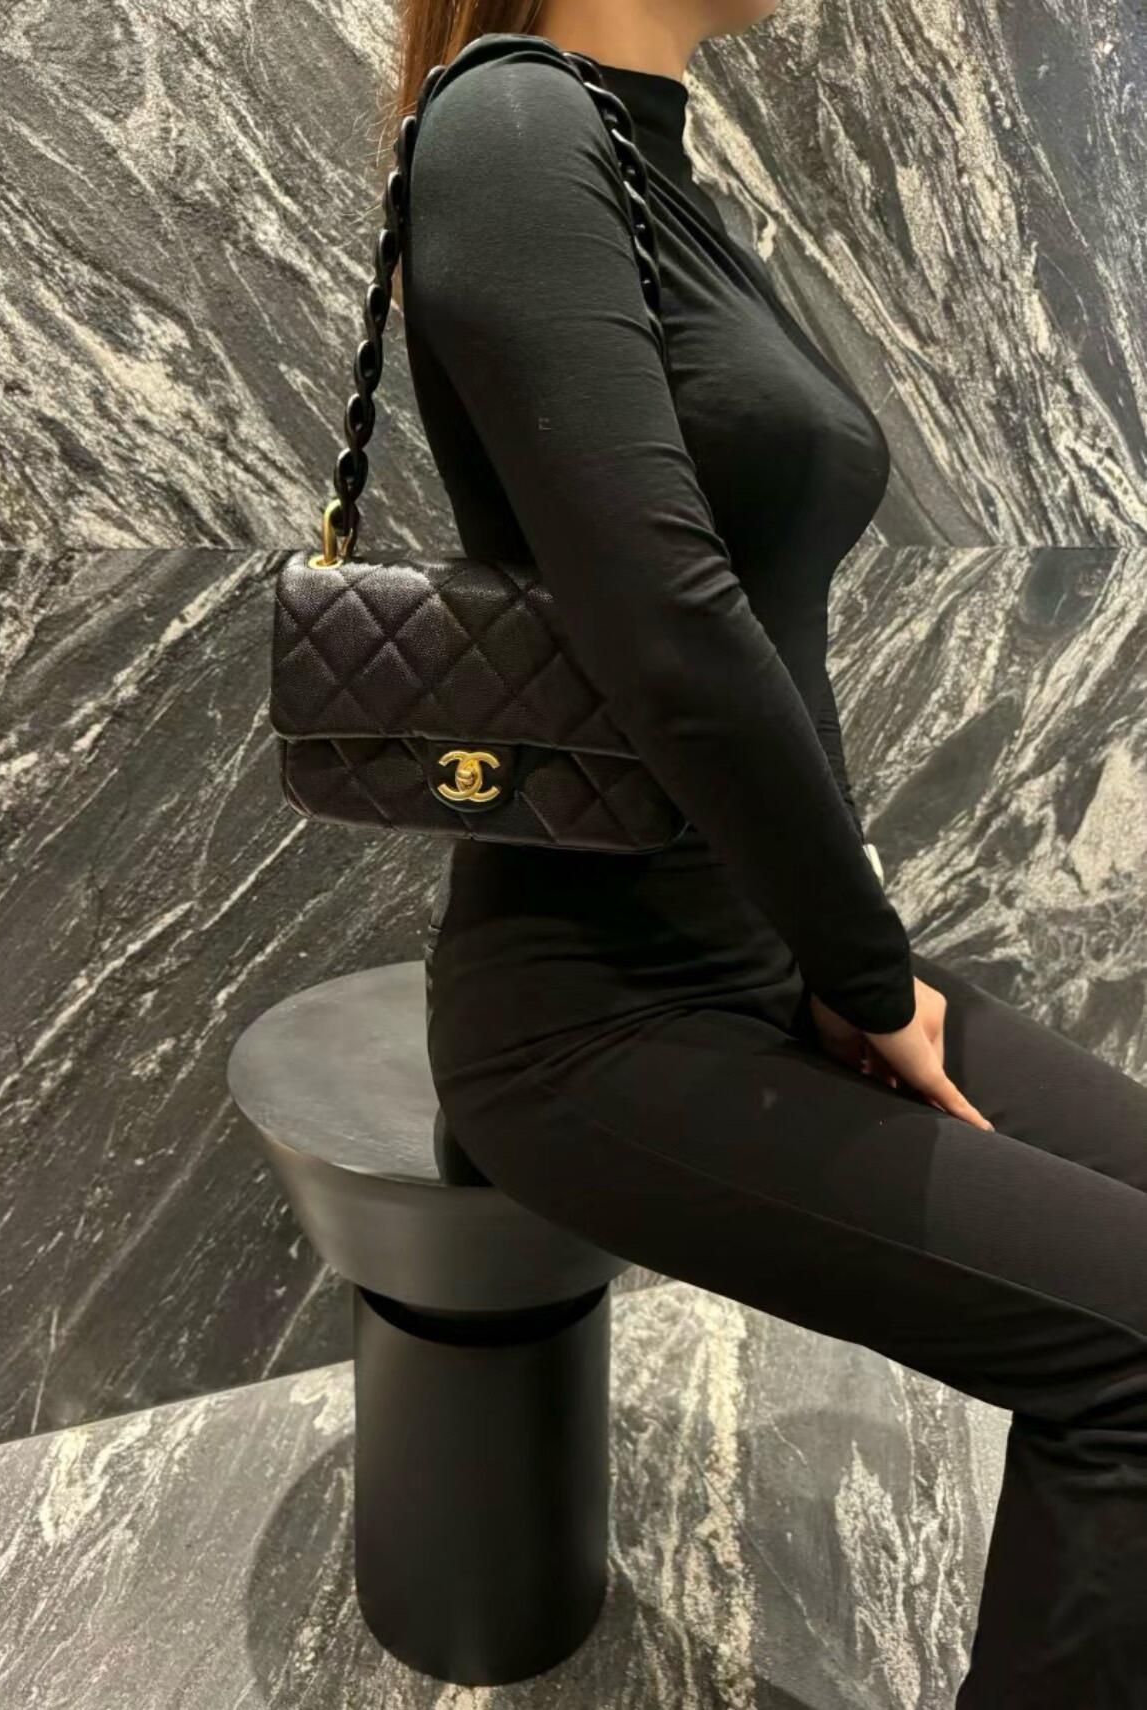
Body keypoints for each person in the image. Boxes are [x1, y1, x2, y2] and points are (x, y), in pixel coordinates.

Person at [394, 2, 1147, 1701]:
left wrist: (833, 964)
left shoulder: (648, 160)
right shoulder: (508, 132)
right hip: (592, 1013)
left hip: (766, 968)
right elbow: (673, 632)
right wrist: (865, 976)